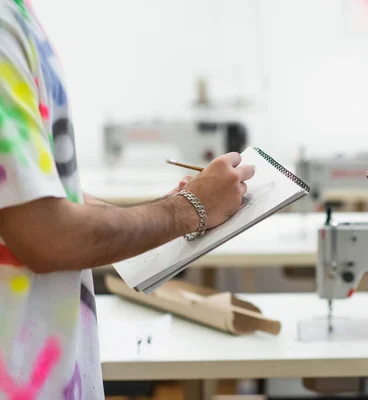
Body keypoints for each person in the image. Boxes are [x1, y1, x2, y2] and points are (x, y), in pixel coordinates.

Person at [0, 0, 255, 398]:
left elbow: (37, 197)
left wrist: (173, 209)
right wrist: (188, 209)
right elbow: (47, 236)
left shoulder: (16, 17)